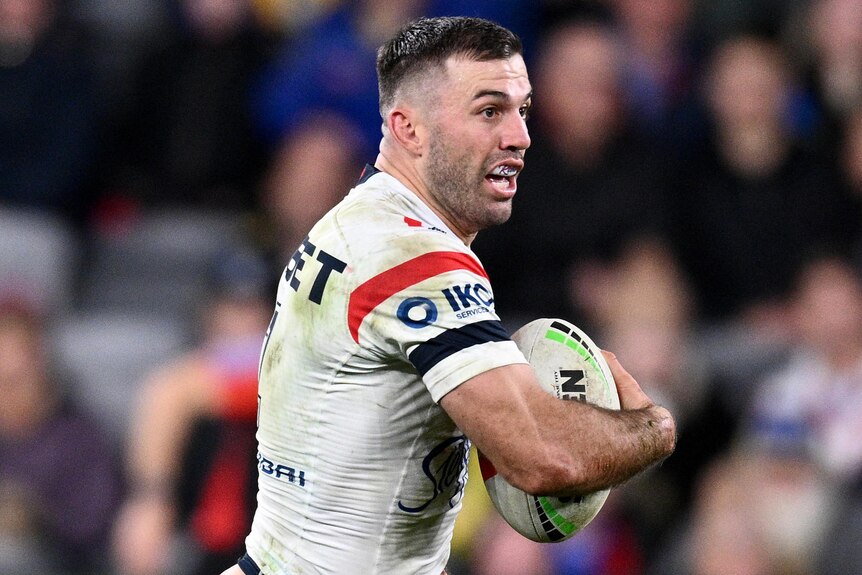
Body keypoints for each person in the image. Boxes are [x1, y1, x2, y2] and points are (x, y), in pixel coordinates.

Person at [222, 16, 676, 575]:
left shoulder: (357, 218)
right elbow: (543, 459)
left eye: (523, 110)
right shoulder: (416, 259)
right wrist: (652, 427)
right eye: (489, 111)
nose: (519, 136)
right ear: (408, 128)